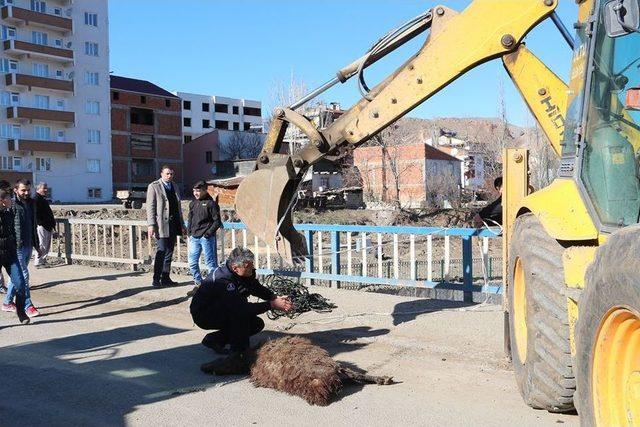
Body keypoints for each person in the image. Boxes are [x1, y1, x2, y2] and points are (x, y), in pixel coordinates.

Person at [190, 247, 293, 355]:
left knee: (255, 324)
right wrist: (272, 305)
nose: (252, 268)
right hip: (204, 314)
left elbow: (255, 288)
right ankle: (239, 354)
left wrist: (274, 297)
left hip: (223, 308)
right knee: (240, 316)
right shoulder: (223, 280)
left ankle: (214, 339)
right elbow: (240, 308)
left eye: (252, 264)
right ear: (235, 268)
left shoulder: (244, 272)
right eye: (248, 267)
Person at [2, 179, 40, 317]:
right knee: (24, 276)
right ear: (16, 190)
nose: (26, 192)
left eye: (28, 190)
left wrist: (36, 244)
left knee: (15, 277)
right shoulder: (11, 204)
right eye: (23, 190)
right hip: (16, 246)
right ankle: (27, 305)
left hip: (28, 244)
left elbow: (33, 225)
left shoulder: (31, 204)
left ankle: (7, 302)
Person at [146, 165, 185, 288]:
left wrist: (182, 223)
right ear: (161, 173)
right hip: (161, 225)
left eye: (171, 174)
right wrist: (151, 224)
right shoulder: (154, 186)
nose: (169, 176)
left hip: (173, 223)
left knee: (169, 252)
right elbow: (150, 207)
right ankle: (156, 279)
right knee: (161, 251)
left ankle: (166, 278)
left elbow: (178, 208)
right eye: (167, 173)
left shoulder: (175, 186)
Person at [0, 187, 29, 324]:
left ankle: (21, 312)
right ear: (2, 201)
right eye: (8, 198)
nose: (11, 200)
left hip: (10, 254)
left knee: (21, 284)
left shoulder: (11, 212)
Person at [187, 180, 222, 289]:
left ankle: (213, 286)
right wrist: (189, 233)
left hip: (206, 238)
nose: (195, 193)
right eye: (194, 191)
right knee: (192, 263)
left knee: (210, 264)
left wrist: (207, 234)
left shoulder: (211, 203)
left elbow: (217, 221)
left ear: (204, 190)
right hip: (194, 237)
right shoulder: (192, 203)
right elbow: (190, 219)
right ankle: (199, 284)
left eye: (198, 191)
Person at [34, 182, 55, 268]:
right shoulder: (36, 199)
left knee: (46, 244)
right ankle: (38, 262)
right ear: (38, 189)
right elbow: (36, 213)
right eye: (44, 188)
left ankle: (43, 261)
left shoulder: (42, 199)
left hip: (47, 225)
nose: (46, 190)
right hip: (42, 225)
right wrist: (40, 223)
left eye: (46, 188)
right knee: (42, 244)